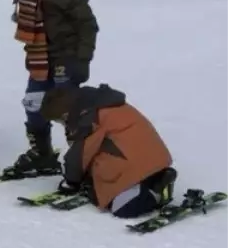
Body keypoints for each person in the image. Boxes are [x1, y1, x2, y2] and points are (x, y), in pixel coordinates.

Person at [0, 0, 99, 178]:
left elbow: (88, 24)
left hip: (67, 57)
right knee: (33, 104)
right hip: (41, 58)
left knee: (68, 110)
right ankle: (43, 155)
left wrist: (82, 59)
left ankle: (82, 161)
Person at [40, 82, 177, 218]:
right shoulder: (100, 103)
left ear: (65, 114)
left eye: (59, 120)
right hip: (152, 157)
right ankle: (156, 177)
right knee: (97, 182)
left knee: (122, 207)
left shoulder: (88, 119)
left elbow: (79, 156)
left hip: (136, 162)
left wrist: (71, 182)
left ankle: (155, 191)